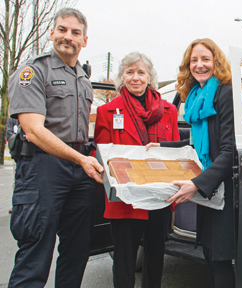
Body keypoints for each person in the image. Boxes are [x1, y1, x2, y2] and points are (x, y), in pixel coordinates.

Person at [7, 8, 104, 288]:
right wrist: (80, 159)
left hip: (78, 169)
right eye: (62, 29)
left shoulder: (83, 79)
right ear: (52, 33)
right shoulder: (33, 71)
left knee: (77, 251)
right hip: (42, 167)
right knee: (36, 252)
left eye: (75, 32)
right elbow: (34, 131)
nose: (68, 37)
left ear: (84, 40)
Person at [94, 51, 180, 288]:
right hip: (126, 199)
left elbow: (173, 154)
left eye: (141, 72)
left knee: (155, 260)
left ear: (149, 77)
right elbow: (100, 155)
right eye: (130, 72)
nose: (135, 78)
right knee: (124, 262)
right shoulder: (107, 112)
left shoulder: (168, 112)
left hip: (158, 197)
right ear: (122, 77)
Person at [166, 38, 235, 288]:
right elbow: (194, 144)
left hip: (220, 187)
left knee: (220, 259)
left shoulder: (224, 92)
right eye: (194, 60)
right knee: (208, 253)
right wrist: (161, 147)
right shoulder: (195, 96)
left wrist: (196, 184)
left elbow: (228, 152)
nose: (200, 65)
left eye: (206, 59)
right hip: (206, 185)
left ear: (216, 62)